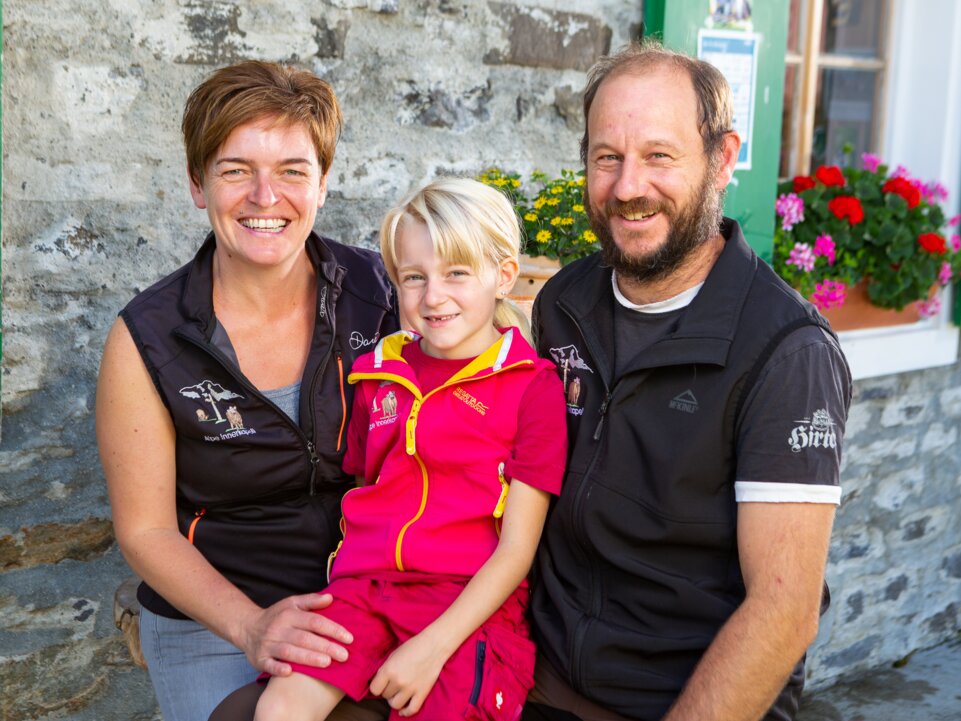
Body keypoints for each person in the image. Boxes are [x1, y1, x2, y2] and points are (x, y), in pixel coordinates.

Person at [522, 40, 852, 721]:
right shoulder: (562, 304)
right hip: (539, 679)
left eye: (658, 156)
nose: (627, 187)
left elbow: (783, 611)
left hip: (679, 699)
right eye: (606, 157)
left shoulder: (785, 351)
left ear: (722, 158)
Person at [96, 60, 398, 721]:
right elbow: (146, 528)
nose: (266, 196)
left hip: (372, 601)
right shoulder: (149, 338)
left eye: (292, 169)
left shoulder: (384, 299)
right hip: (214, 618)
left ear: (322, 182)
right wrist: (252, 626)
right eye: (236, 169)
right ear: (197, 184)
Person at [239, 177, 567, 721]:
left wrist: (431, 646)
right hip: (363, 592)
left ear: (504, 276)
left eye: (457, 274)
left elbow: (516, 551)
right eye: (414, 278)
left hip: (464, 606)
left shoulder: (531, 388)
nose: (433, 297)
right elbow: (368, 483)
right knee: (280, 706)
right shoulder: (378, 375)